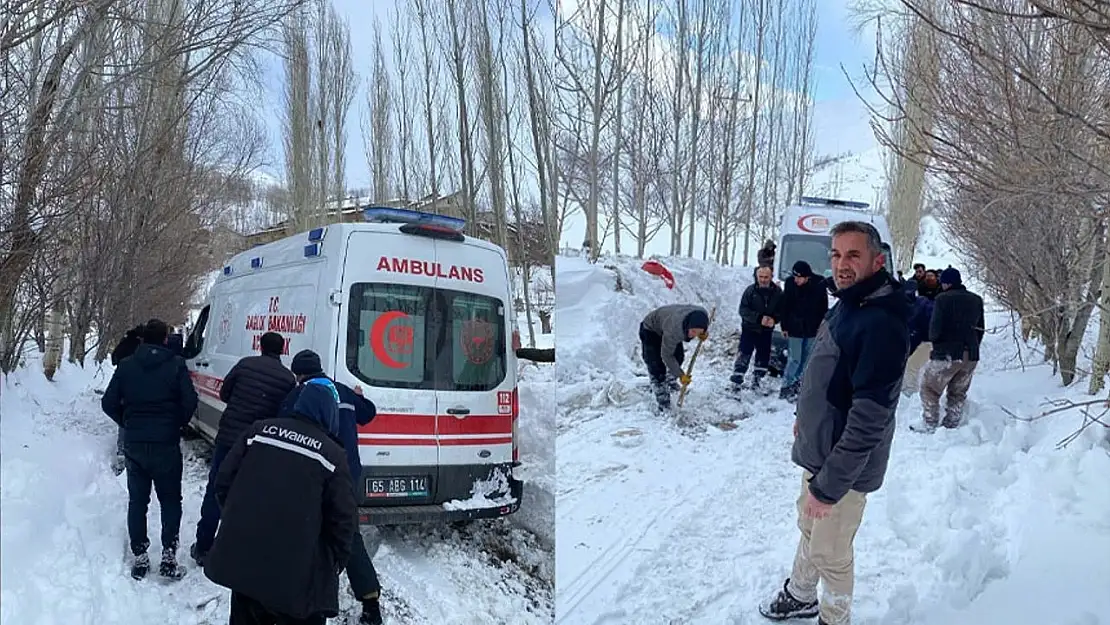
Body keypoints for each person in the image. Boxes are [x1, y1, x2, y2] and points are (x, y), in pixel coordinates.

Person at [759, 221, 909, 625]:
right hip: (821, 450)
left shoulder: (881, 323)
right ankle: (801, 594)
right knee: (809, 529)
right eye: (837, 254)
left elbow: (868, 422)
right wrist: (804, 419)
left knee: (832, 552)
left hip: (844, 469)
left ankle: (834, 618)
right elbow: (826, 374)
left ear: (878, 260)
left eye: (854, 255)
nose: (842, 264)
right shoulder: (850, 303)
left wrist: (828, 489)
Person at [203, 383, 357, 625]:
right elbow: (343, 521)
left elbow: (223, 482)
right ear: (329, 414)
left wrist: (238, 519)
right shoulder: (331, 455)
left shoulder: (258, 432)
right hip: (298, 577)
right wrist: (334, 561)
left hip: (247, 567)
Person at [278, 350, 383, 625]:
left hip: (313, 473)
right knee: (348, 534)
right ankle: (371, 602)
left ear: (299, 374)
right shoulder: (343, 392)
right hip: (348, 473)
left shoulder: (297, 396)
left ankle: (309, 599)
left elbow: (284, 426)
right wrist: (358, 398)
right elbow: (369, 413)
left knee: (308, 535)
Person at [101, 318, 198, 580]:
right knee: (170, 500)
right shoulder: (176, 365)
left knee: (138, 500)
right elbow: (190, 400)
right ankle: (168, 555)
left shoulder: (127, 365)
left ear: (143, 339)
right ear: (166, 339)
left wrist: (128, 422)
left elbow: (108, 402)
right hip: (165, 443)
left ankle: (141, 556)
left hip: (135, 443)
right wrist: (175, 423)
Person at [191, 332, 297, 567]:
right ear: (282, 350)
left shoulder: (245, 365)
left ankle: (204, 546)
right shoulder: (287, 378)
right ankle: (238, 549)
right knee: (250, 496)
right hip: (259, 445)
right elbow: (284, 412)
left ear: (260, 346)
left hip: (229, 438)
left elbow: (225, 393)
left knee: (216, 489)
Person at [915, 267, 985, 432]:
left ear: (946, 283)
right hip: (971, 356)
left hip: (947, 354)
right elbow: (980, 329)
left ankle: (930, 424)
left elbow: (935, 330)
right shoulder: (976, 300)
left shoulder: (942, 299)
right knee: (958, 392)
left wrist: (935, 342)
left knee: (929, 388)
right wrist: (972, 347)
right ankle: (952, 424)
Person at [638, 305, 711, 410]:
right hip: (651, 329)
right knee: (656, 365)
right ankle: (662, 397)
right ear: (688, 326)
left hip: (667, 323)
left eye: (698, 332)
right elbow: (667, 355)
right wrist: (681, 375)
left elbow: (700, 324)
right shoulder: (675, 330)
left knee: (679, 357)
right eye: (693, 332)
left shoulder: (702, 315)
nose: (694, 335)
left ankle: (670, 380)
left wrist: (702, 333)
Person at [777, 261, 829, 402]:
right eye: (795, 277)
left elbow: (824, 306)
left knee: (807, 359)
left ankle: (799, 384)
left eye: (799, 278)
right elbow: (785, 306)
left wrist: (822, 323)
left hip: (812, 328)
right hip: (795, 328)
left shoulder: (818, 284)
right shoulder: (789, 284)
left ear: (807, 277)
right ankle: (787, 385)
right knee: (794, 359)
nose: (796, 280)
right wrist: (784, 326)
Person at [730, 266, 783, 392]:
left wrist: (774, 319)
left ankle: (757, 381)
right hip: (749, 328)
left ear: (771, 277)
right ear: (756, 277)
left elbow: (782, 310)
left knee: (763, 356)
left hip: (766, 331)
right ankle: (736, 382)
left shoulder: (778, 293)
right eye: (761, 277)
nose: (763, 280)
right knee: (744, 353)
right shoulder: (750, 291)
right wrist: (759, 318)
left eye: (766, 277)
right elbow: (743, 310)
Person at [109, 323, 146, 474]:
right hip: (141, 386)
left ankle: (121, 453)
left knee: (125, 419)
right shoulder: (144, 347)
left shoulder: (125, 342)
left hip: (123, 385)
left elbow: (113, 359)